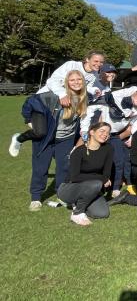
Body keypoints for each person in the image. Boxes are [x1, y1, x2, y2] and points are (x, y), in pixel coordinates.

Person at [12, 70, 88, 212]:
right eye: (72, 80)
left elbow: (84, 119)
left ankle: (62, 195)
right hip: (46, 138)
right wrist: (29, 121)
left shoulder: (84, 98)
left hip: (66, 139)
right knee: (41, 168)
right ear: (66, 82)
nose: (76, 82)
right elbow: (30, 101)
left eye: (79, 79)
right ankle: (36, 198)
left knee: (64, 168)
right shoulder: (54, 96)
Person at [79, 87, 137, 196]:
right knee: (93, 161)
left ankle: (115, 188)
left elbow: (134, 124)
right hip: (99, 134)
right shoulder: (112, 99)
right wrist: (84, 129)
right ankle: (87, 187)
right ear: (134, 94)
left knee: (119, 160)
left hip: (115, 136)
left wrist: (131, 138)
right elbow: (90, 109)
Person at [58, 121, 113, 226]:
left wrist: (102, 179)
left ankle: (79, 202)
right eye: (102, 131)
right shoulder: (78, 152)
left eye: (108, 132)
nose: (105, 134)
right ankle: (77, 212)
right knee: (96, 183)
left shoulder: (108, 149)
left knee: (102, 213)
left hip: (92, 187)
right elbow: (75, 177)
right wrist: (100, 179)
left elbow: (106, 174)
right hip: (69, 188)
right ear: (92, 132)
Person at [36, 51, 104, 103]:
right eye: (96, 61)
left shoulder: (94, 75)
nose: (99, 64)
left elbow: (83, 89)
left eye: (101, 62)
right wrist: (62, 94)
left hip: (65, 104)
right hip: (46, 97)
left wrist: (93, 90)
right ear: (87, 59)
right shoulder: (71, 65)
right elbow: (52, 81)